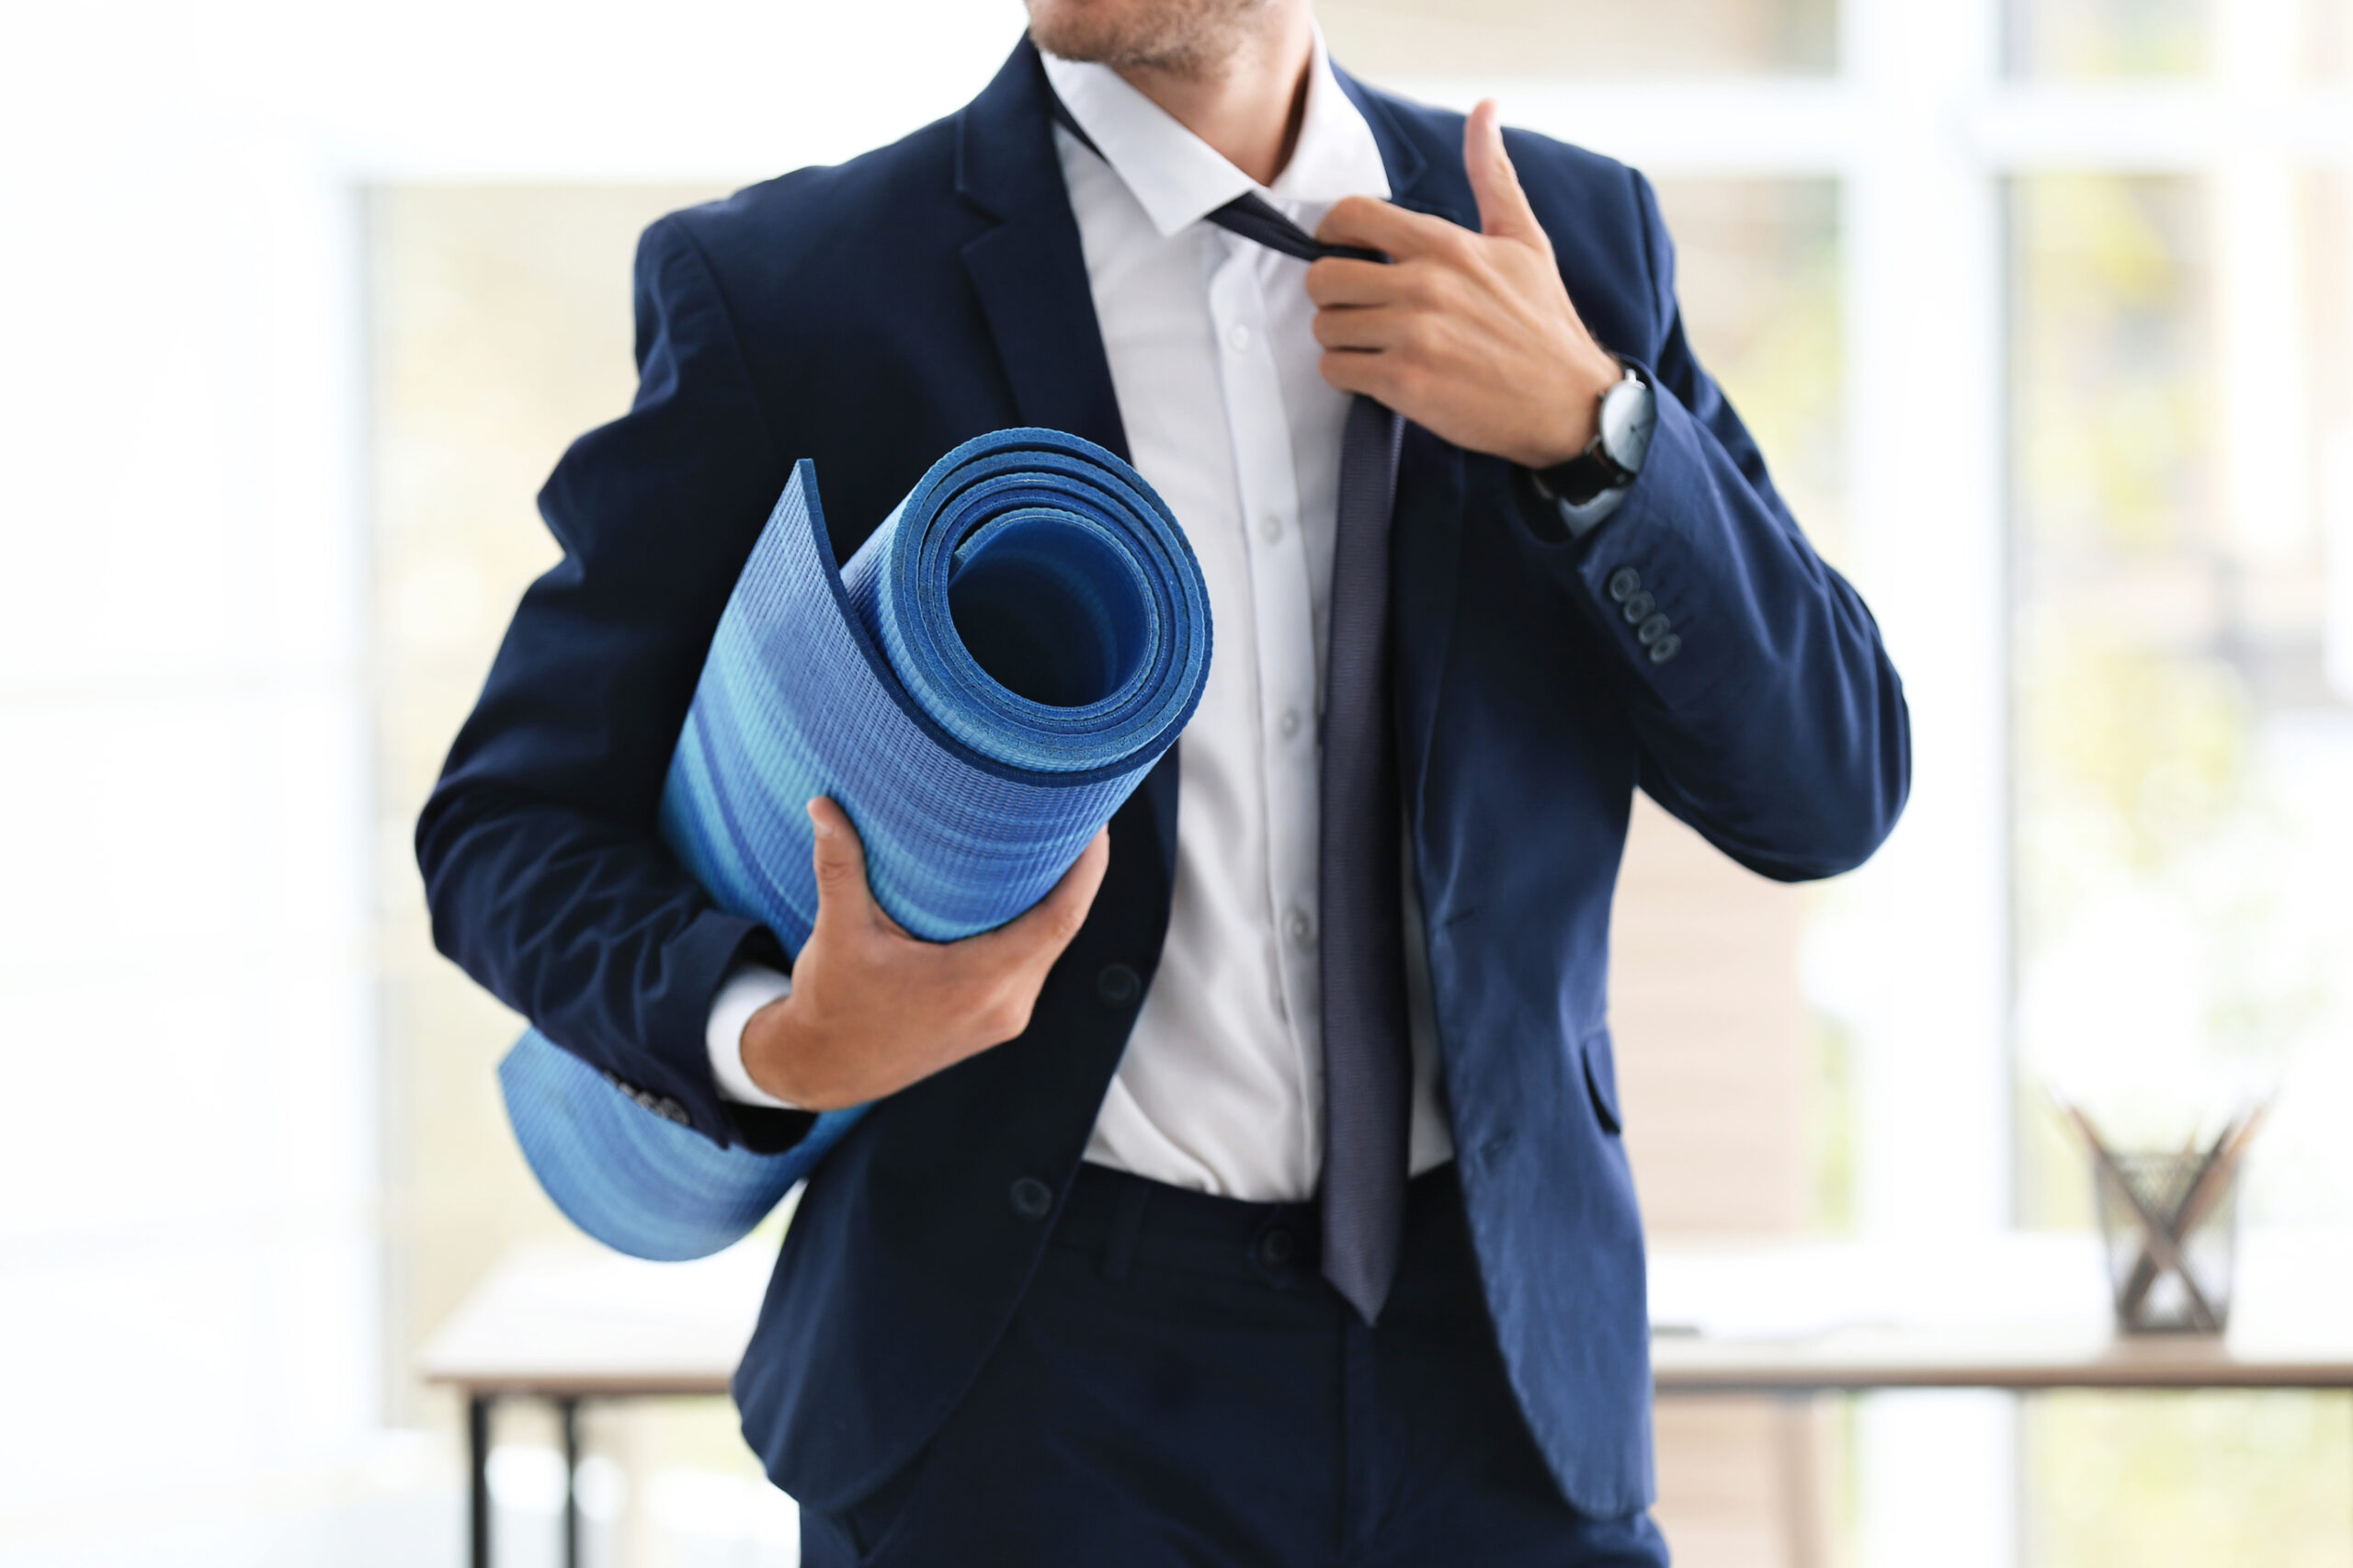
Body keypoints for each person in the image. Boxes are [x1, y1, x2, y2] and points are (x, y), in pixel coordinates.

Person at [418, 0, 1910, 1561]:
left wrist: (1592, 434)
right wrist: (777, 1038)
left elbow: (1829, 784)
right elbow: (508, 823)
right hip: (1025, 1401)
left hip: (1503, 1386)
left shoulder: (1566, 244)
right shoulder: (802, 289)